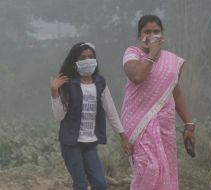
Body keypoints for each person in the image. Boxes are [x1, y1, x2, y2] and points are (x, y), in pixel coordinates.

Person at [121, 15, 196, 190]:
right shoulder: (133, 53)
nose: (152, 35)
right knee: (150, 167)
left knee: (166, 169)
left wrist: (189, 124)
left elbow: (175, 92)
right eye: (147, 32)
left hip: (164, 125)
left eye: (156, 31)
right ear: (140, 35)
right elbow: (137, 76)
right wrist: (153, 53)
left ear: (162, 35)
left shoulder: (171, 60)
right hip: (140, 123)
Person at [50, 42, 132, 190]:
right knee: (80, 184)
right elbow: (59, 116)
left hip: (90, 143)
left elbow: (110, 110)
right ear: (74, 62)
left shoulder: (100, 83)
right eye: (82, 58)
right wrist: (55, 92)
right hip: (71, 144)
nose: (87, 60)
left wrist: (123, 135)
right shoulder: (69, 85)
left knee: (100, 183)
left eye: (91, 57)